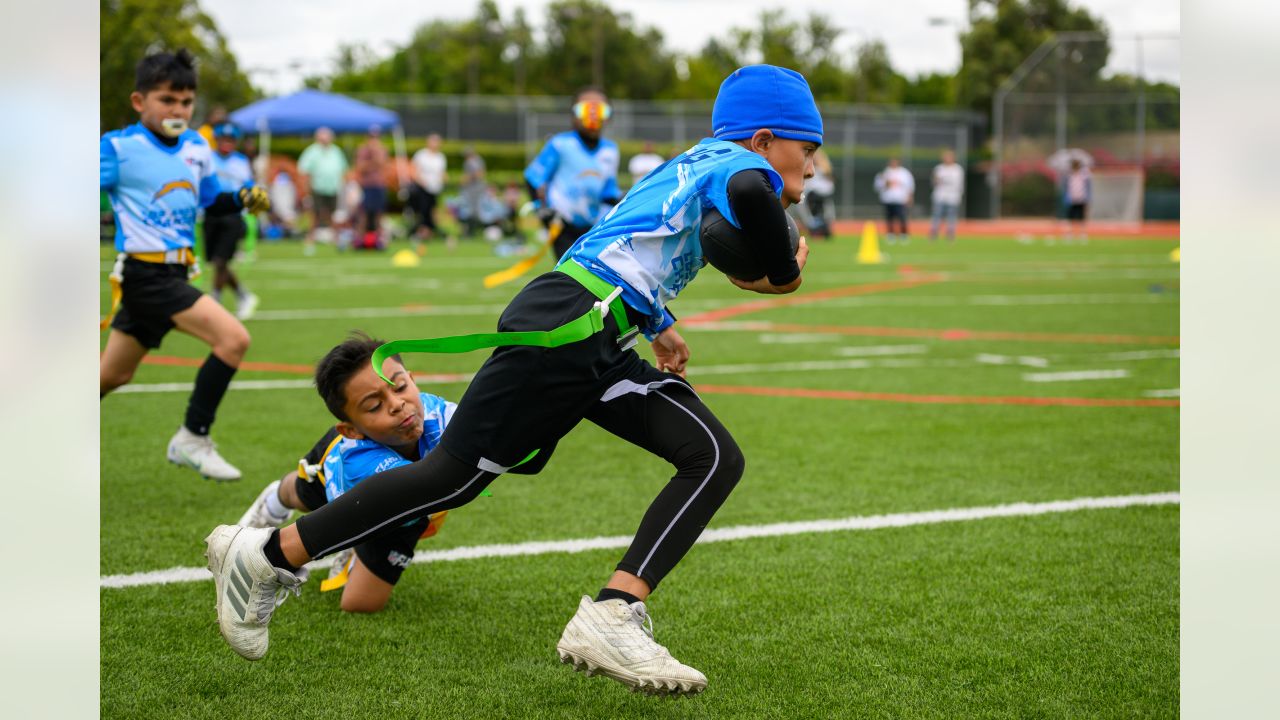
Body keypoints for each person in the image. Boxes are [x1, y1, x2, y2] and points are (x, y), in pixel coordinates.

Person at [205, 63, 819, 697]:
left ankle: (613, 611)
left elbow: (617, 240)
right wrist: (783, 267)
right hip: (572, 326)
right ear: (766, 139)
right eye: (809, 150)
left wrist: (658, 320)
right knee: (452, 476)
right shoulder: (741, 167)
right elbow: (751, 194)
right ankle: (267, 555)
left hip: (596, 327)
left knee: (712, 455)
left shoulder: (692, 162)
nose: (811, 167)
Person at [100, 49, 270, 482]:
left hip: (174, 275)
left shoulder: (197, 146)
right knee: (234, 339)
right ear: (140, 102)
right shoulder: (119, 148)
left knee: (112, 374)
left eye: (186, 101)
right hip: (145, 275)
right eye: (167, 100)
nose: (178, 110)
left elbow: (211, 201)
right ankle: (192, 438)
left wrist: (241, 198)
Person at [525, 87, 621, 260]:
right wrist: (543, 211)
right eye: (585, 108)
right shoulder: (560, 144)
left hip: (593, 227)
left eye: (600, 109)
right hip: (562, 224)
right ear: (573, 115)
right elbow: (533, 177)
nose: (593, 114)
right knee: (570, 273)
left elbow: (609, 193)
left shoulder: (611, 151)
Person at [205, 123, 259, 320]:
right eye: (223, 139)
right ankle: (244, 295)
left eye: (231, 140)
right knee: (215, 261)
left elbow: (250, 187)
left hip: (233, 216)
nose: (227, 143)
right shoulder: (208, 158)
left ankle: (215, 303)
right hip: (210, 214)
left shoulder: (241, 162)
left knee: (221, 261)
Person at [297, 127, 348, 255]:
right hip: (317, 188)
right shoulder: (312, 151)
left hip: (333, 188)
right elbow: (304, 171)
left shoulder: (336, 151)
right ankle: (310, 242)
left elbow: (343, 169)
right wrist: (306, 190)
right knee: (315, 215)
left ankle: (337, 240)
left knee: (332, 215)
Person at [354, 126, 389, 249]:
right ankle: (359, 240)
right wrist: (372, 161)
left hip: (379, 185)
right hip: (366, 185)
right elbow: (360, 168)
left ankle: (379, 240)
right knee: (364, 213)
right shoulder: (362, 150)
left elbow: (383, 165)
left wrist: (375, 157)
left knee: (379, 214)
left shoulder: (382, 149)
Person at [409, 133, 446, 243]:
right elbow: (414, 171)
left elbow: (441, 173)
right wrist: (422, 181)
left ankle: (430, 232)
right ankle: (421, 232)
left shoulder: (440, 157)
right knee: (423, 211)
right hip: (422, 188)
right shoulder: (421, 155)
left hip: (435, 189)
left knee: (432, 211)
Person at [874, 157, 914, 245]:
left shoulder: (904, 173)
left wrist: (910, 197)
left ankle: (904, 234)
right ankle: (890, 234)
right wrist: (885, 184)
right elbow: (877, 186)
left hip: (900, 199)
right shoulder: (885, 173)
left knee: (902, 217)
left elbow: (910, 186)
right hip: (888, 199)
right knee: (889, 218)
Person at [929, 149, 964, 243]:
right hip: (940, 196)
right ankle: (933, 234)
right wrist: (936, 180)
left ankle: (950, 235)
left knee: (951, 217)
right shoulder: (939, 168)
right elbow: (934, 182)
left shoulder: (958, 169)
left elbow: (960, 184)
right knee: (937, 215)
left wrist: (959, 196)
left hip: (953, 197)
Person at [802, 148, 835, 239]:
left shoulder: (824, 169)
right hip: (812, 194)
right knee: (814, 213)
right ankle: (816, 229)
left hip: (819, 194)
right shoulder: (810, 168)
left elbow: (830, 182)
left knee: (823, 213)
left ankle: (822, 230)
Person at [1062, 158, 1091, 244]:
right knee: (1070, 217)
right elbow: (1066, 187)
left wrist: (1087, 197)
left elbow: (1087, 187)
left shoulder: (1084, 175)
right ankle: (1069, 234)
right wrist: (1067, 197)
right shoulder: (1069, 175)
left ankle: (1083, 234)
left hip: (1081, 198)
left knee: (1081, 217)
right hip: (1072, 199)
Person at [460, 146, 487, 238]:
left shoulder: (473, 161)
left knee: (473, 211)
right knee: (470, 210)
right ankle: (471, 230)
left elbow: (479, 174)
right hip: (472, 189)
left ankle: (471, 231)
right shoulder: (475, 160)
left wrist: (466, 179)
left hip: (475, 190)